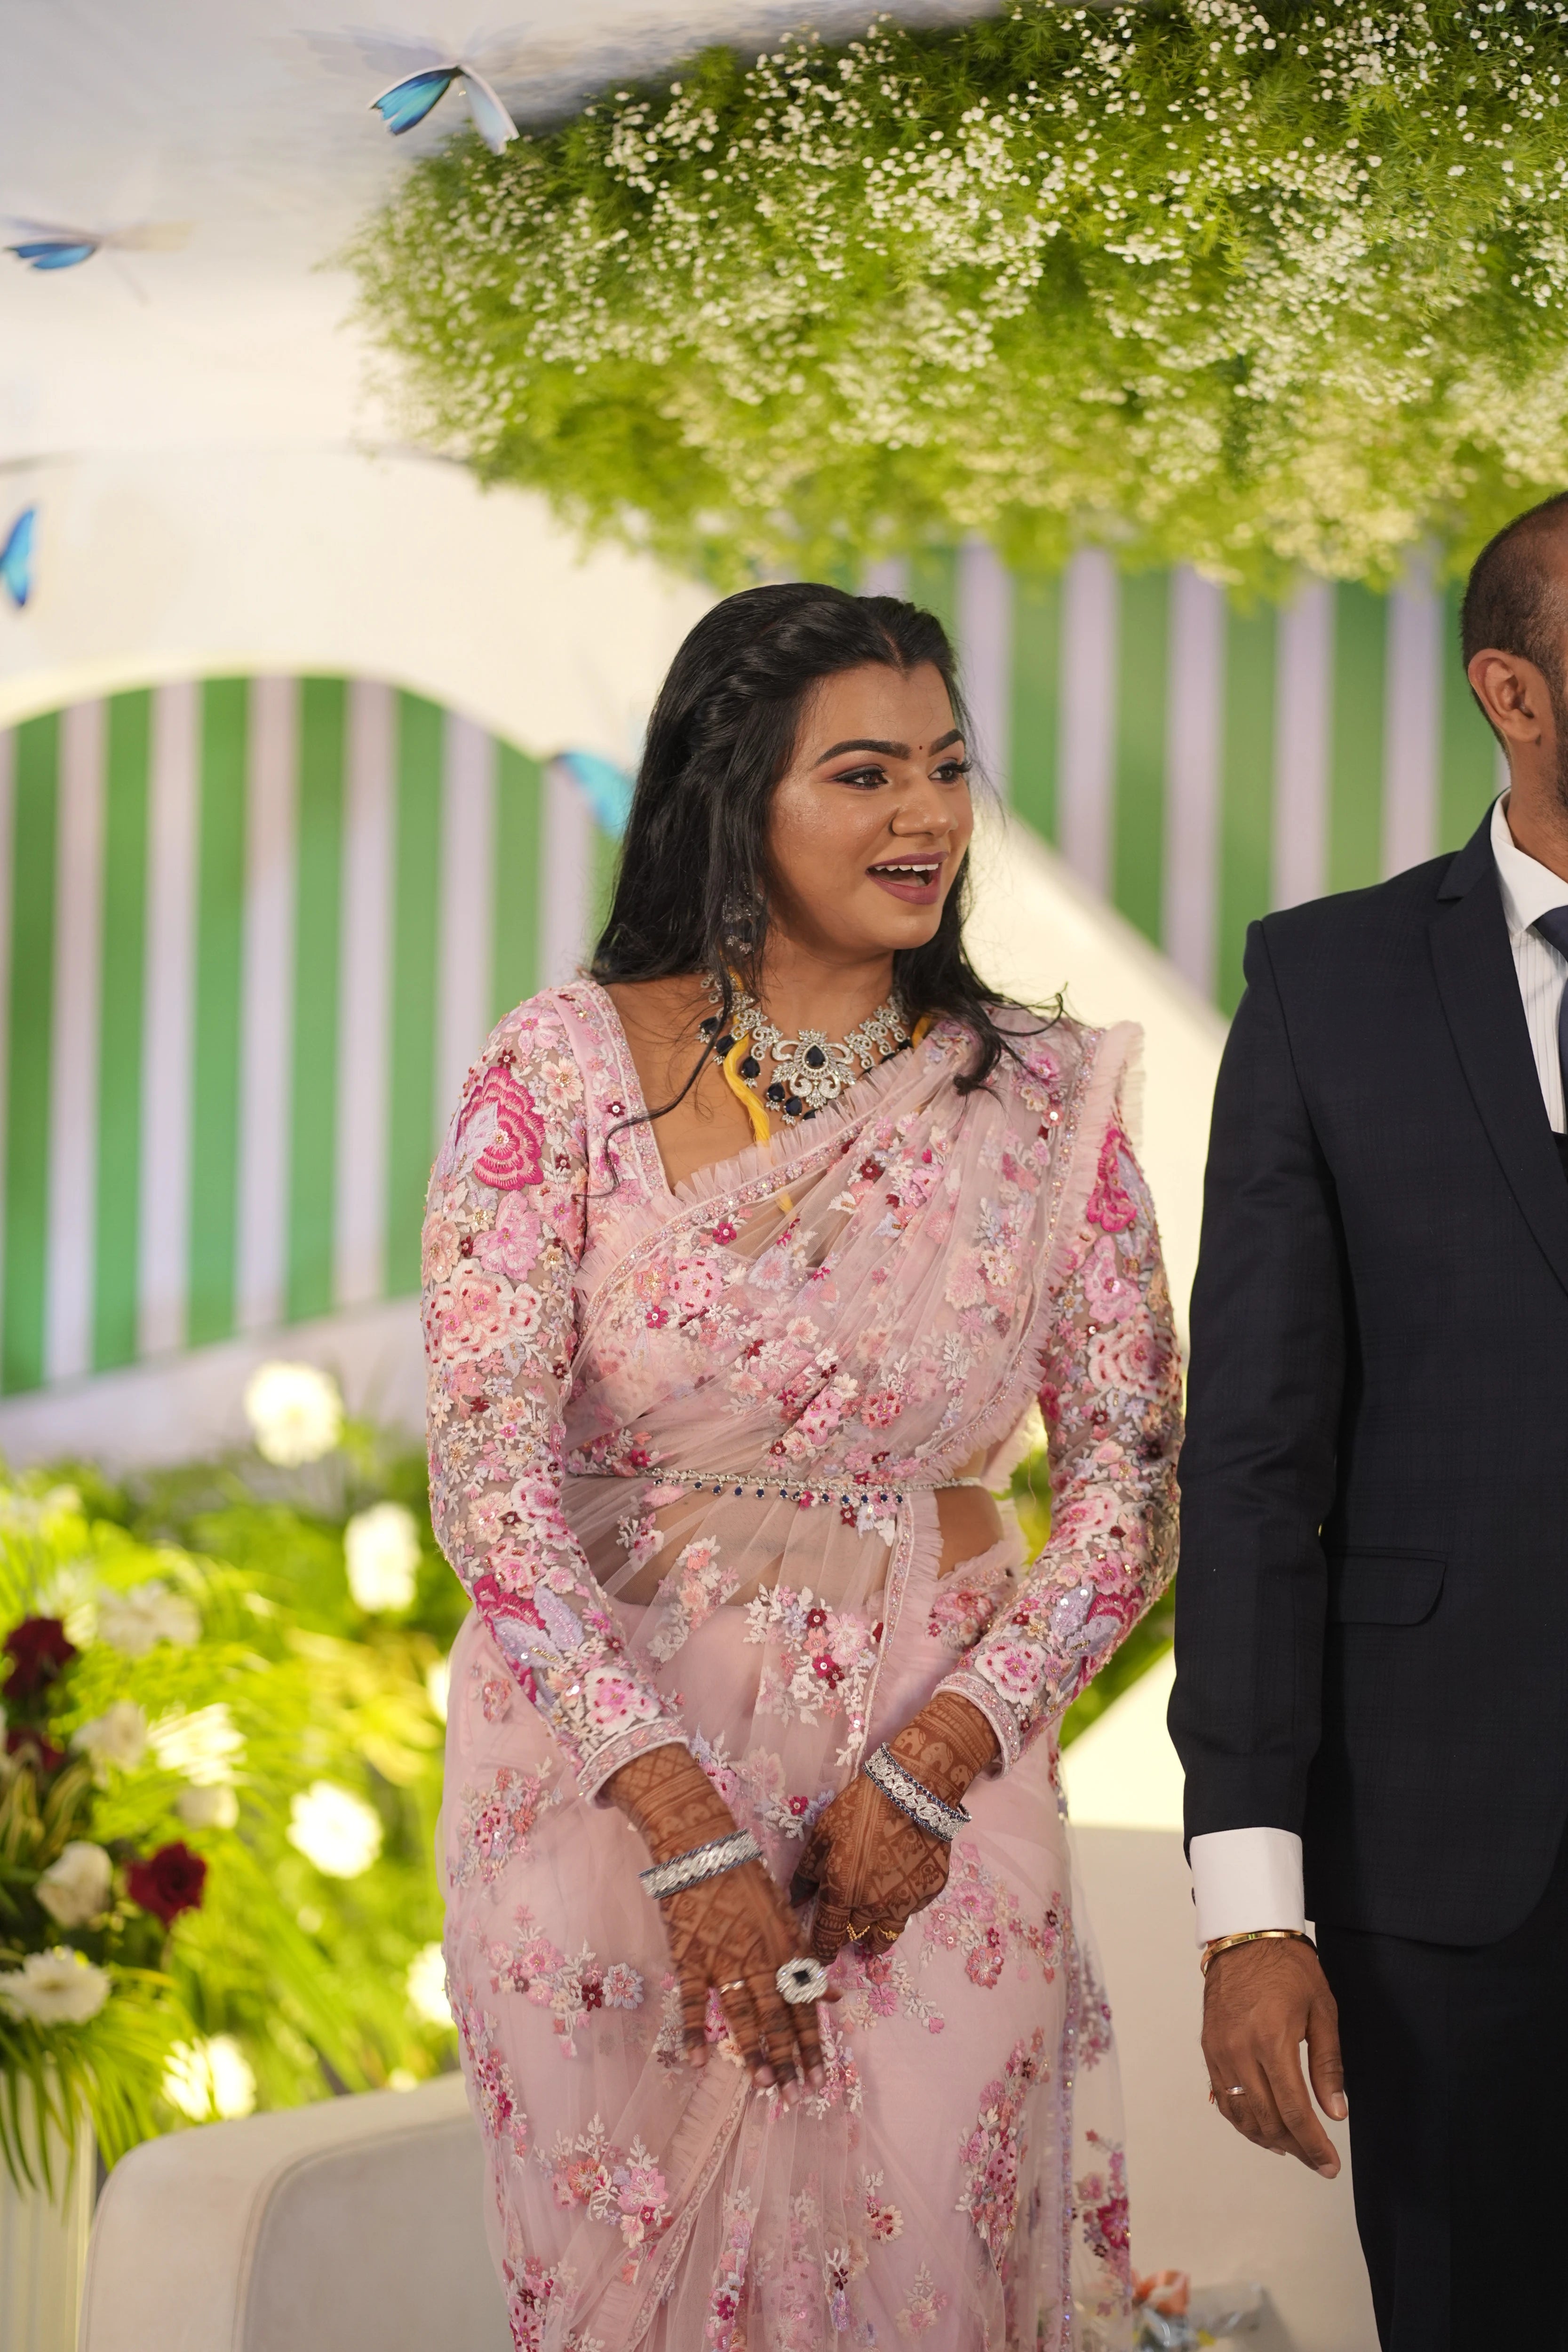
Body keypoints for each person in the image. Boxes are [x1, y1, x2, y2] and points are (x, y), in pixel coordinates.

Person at [424, 580, 1181, 2352]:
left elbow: (1135, 1487)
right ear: (730, 794)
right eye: (864, 773)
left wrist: (941, 1760)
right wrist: (676, 1820)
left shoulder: (1041, 1103)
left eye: (947, 767)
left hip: (937, 1783)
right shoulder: (561, 1071)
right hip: (603, 1791)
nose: (927, 814)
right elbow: (490, 1486)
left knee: (933, 2278)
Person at [1170, 493, 1568, 2349]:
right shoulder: (1325, 985)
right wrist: (1252, 1906)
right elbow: (1253, 1468)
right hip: (1448, 1865)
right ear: (1515, 691)